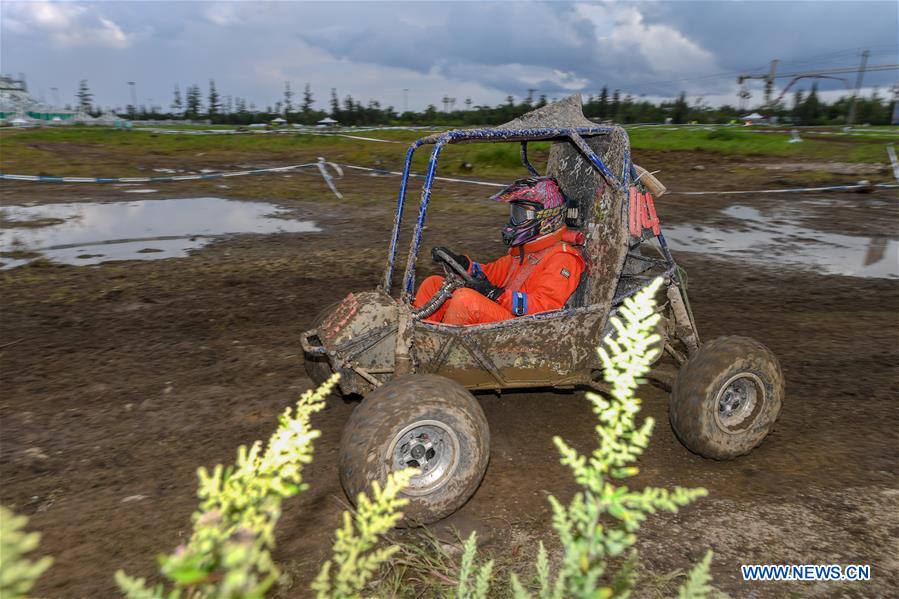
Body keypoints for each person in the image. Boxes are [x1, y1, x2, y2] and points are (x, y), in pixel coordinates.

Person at [414, 176, 585, 325]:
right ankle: (419, 338)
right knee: (433, 284)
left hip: (527, 329)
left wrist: (497, 295)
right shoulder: (524, 253)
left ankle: (443, 354)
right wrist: (463, 264)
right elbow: (489, 274)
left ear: (547, 218)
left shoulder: (563, 258)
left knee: (465, 300)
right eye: (514, 214)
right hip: (506, 319)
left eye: (520, 215)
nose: (514, 221)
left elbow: (544, 307)